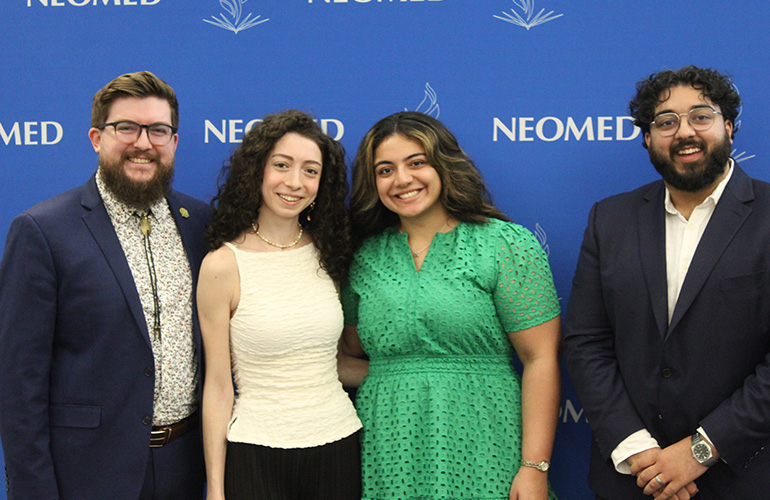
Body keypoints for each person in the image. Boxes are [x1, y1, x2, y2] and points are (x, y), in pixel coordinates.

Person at [563, 65, 770, 500]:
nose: (684, 132)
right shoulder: (610, 219)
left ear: (729, 127)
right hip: (634, 478)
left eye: (701, 116)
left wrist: (700, 450)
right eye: (666, 122)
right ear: (646, 137)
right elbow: (586, 342)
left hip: (745, 476)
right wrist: (639, 452)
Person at [0, 71, 209, 499]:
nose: (143, 143)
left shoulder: (201, 223)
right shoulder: (43, 230)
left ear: (173, 141)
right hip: (89, 471)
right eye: (126, 127)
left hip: (187, 467)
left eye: (158, 130)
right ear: (97, 137)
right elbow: (19, 383)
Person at [340, 111, 562, 500]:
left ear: (443, 165)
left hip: (486, 438)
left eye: (417, 163)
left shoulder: (505, 244)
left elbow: (540, 359)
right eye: (385, 169)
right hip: (389, 443)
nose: (402, 179)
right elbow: (349, 355)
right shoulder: (362, 257)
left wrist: (534, 467)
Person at [198, 110, 362, 500]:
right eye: (282, 165)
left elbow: (327, 361)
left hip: (338, 446)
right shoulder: (222, 265)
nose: (294, 182)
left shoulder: (330, 253)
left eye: (310, 170)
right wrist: (217, 489)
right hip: (255, 453)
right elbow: (219, 387)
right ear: (257, 171)